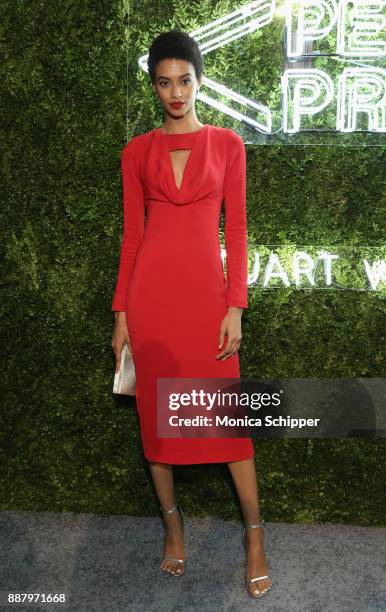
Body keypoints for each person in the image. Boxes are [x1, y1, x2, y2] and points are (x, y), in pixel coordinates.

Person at [111, 29, 272, 599]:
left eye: (184, 80)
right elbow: (132, 239)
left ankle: (254, 537)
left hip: (208, 304)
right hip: (152, 302)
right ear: (154, 86)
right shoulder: (137, 152)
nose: (175, 92)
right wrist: (122, 313)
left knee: (229, 428)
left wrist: (236, 305)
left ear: (200, 81)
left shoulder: (228, 144)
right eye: (164, 82)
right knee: (157, 425)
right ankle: (173, 530)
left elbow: (241, 231)